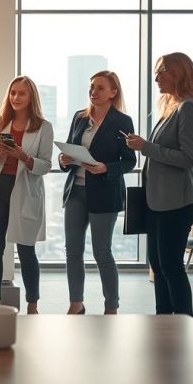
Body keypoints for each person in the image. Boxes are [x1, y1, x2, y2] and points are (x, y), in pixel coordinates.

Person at [125, 52, 193, 317]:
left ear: (179, 73)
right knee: (159, 264)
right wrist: (146, 147)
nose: (156, 77)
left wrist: (146, 147)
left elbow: (188, 158)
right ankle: (163, 322)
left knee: (171, 267)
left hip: (177, 201)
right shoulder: (173, 108)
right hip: (160, 200)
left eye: (162, 71)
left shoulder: (189, 107)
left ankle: (184, 324)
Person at [59, 71, 136, 315]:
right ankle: (76, 303)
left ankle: (111, 307)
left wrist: (106, 168)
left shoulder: (122, 121)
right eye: (92, 86)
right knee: (73, 251)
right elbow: (69, 152)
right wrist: (64, 159)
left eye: (100, 88)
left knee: (102, 252)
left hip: (104, 193)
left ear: (113, 92)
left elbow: (129, 161)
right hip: (76, 192)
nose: (93, 91)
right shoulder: (79, 118)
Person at [0, 76, 53, 314]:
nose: (16, 98)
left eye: (21, 93)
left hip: (25, 190)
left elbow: (46, 166)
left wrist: (23, 157)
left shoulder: (43, 127)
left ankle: (32, 304)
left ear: (31, 98)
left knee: (26, 249)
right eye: (12, 93)